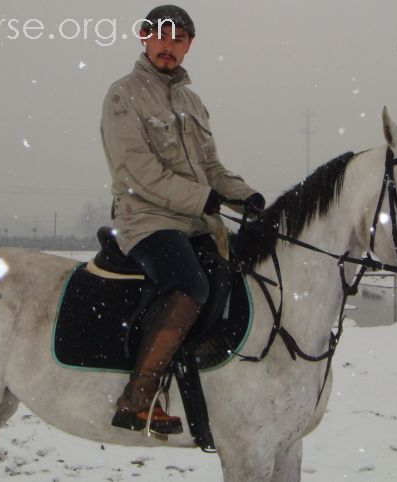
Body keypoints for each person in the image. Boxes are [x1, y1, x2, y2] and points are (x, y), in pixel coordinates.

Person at [100, 4, 265, 435]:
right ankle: (137, 400)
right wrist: (202, 198)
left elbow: (211, 168)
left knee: (235, 276)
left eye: (178, 39)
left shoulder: (193, 103)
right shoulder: (123, 95)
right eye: (161, 37)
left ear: (189, 45)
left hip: (192, 220)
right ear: (144, 38)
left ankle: (201, 376)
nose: (168, 47)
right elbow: (136, 170)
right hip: (146, 219)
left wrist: (246, 197)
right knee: (189, 282)